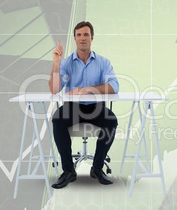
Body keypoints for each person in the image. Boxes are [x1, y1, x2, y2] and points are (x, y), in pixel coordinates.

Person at [49, 21, 119, 189]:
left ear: (92, 38)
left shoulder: (103, 62)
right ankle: (68, 171)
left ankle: (97, 168)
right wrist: (56, 63)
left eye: (86, 34)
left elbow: (114, 87)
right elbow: (54, 89)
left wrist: (86, 90)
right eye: (79, 35)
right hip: (73, 108)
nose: (82, 38)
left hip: (95, 107)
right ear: (75, 38)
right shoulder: (66, 63)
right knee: (58, 119)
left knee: (111, 121)